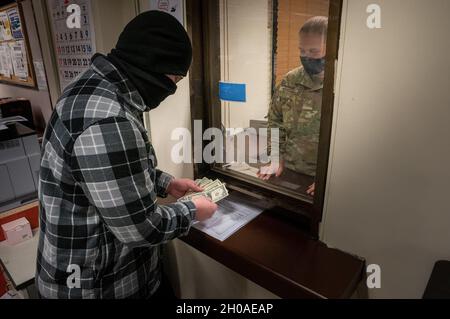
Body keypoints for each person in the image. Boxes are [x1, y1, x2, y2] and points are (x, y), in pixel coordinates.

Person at [36, 11, 217, 299]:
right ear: (151, 66)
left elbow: (105, 174)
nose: (173, 88)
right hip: (99, 286)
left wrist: (166, 184)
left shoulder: (91, 89)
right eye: (174, 78)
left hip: (78, 273)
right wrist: (193, 210)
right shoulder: (109, 122)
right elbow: (140, 230)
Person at [257, 16, 328, 196]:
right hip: (287, 169)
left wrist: (332, 178)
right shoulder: (291, 80)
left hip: (322, 179)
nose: (306, 57)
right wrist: (275, 158)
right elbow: (275, 120)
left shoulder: (343, 85)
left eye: (314, 51)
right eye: (302, 50)